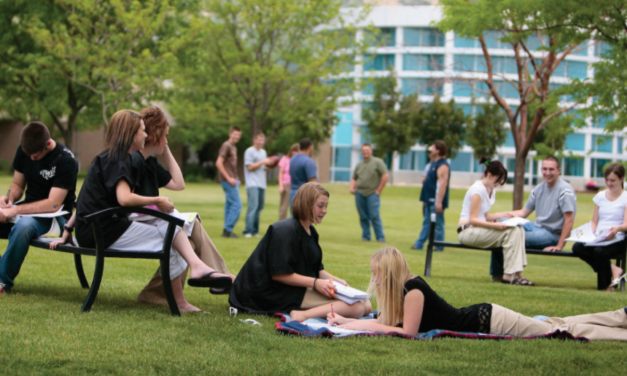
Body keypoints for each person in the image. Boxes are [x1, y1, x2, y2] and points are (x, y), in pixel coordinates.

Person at [53, 110, 231, 313]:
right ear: (131, 134)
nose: (146, 136)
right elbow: (124, 198)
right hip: (104, 231)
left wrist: (67, 229)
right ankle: (187, 288)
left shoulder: (110, 157)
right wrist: (157, 200)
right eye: (142, 131)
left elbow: (85, 198)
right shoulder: (120, 160)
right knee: (171, 232)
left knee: (171, 227)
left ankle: (195, 273)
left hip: (96, 228)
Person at [328, 247, 627, 341]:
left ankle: (619, 329)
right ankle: (619, 316)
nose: (374, 279)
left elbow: (404, 332)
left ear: (390, 273)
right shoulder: (405, 290)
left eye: (376, 273)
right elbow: (384, 319)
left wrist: (354, 325)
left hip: (491, 320)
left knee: (559, 331)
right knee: (556, 322)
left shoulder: (414, 290)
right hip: (485, 315)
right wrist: (346, 319)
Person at [130, 107, 235, 304]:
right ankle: (222, 276)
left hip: (151, 221)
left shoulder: (150, 162)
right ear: (156, 134)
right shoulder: (133, 160)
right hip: (138, 224)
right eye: (166, 136)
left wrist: (165, 149)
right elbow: (127, 200)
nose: (168, 140)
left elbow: (179, 184)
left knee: (191, 240)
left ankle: (153, 293)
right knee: (191, 225)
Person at [229, 182, 371, 321]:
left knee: (367, 306)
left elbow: (317, 269)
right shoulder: (284, 231)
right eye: (320, 206)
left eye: (326, 205)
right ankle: (301, 315)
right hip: (270, 292)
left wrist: (338, 282)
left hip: (296, 287)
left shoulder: (311, 231)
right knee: (357, 308)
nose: (325, 210)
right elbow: (279, 274)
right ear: (306, 204)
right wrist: (315, 283)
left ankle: (308, 309)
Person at [0, 122, 78, 294]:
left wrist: (15, 211)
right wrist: (10, 199)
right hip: (27, 209)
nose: (32, 159)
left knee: (24, 226)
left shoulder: (65, 160)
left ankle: (2, 283)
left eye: (36, 156)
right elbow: (17, 184)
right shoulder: (24, 150)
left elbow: (53, 204)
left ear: (48, 143)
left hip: (57, 218)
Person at [492, 156, 577, 280]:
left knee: (508, 234)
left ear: (559, 170)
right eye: (545, 169)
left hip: (551, 234)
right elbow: (522, 213)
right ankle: (498, 274)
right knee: (500, 226)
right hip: (536, 226)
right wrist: (495, 217)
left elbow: (569, 219)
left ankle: (508, 274)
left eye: (551, 169)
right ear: (541, 169)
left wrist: (560, 245)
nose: (547, 173)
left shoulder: (565, 191)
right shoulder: (538, 189)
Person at [458, 158, 533, 285]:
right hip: (467, 231)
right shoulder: (478, 190)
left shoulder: (490, 189)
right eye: (497, 180)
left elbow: (485, 215)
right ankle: (509, 275)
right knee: (512, 232)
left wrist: (506, 214)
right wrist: (495, 226)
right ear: (489, 175)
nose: (498, 183)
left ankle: (518, 273)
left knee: (519, 229)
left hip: (477, 229)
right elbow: (473, 219)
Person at [572, 163, 627, 291]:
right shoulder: (600, 196)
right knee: (577, 247)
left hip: (616, 239)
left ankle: (605, 287)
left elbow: (626, 224)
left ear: (622, 179)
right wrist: (588, 233)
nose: (609, 183)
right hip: (599, 237)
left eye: (612, 180)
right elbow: (594, 222)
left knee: (599, 252)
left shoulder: (625, 197)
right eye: (607, 180)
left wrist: (617, 229)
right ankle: (613, 269)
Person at [413, 141, 449, 251]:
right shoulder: (433, 163)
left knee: (438, 225)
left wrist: (439, 202)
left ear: (438, 150)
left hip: (435, 201)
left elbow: (443, 184)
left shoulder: (442, 165)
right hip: (428, 199)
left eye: (432, 148)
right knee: (426, 223)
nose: (430, 150)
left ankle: (438, 246)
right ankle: (419, 244)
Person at [350, 143, 389, 242]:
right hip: (359, 193)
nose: (365, 152)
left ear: (371, 151)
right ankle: (366, 236)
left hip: (372, 194)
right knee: (363, 216)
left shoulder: (377, 162)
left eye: (367, 150)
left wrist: (378, 190)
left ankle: (380, 237)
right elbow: (354, 178)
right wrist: (352, 187)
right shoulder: (359, 164)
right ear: (361, 152)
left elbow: (385, 175)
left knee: (374, 216)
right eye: (363, 150)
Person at [243, 132, 271, 238]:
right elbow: (249, 167)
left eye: (262, 140)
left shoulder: (263, 152)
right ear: (254, 140)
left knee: (259, 207)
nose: (261, 142)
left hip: (261, 184)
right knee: (252, 206)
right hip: (252, 183)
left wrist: (267, 166)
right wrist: (263, 161)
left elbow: (261, 167)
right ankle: (247, 231)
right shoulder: (249, 151)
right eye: (259, 140)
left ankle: (254, 231)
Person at [216, 127, 243, 238]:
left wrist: (236, 178)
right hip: (228, 180)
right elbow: (218, 163)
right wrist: (229, 178)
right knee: (237, 204)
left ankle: (226, 231)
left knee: (230, 204)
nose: (237, 137)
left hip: (232, 179)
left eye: (238, 135)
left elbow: (230, 165)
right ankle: (228, 229)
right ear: (230, 133)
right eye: (235, 134)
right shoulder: (226, 145)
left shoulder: (233, 147)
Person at [289, 138, 317, 210]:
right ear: (310, 147)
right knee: (305, 220)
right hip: (304, 195)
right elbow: (312, 181)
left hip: (292, 193)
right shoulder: (308, 161)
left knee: (294, 220)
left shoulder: (292, 159)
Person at [278, 144, 299, 220]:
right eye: (294, 151)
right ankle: (281, 224)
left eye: (297, 151)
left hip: (295, 184)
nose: (295, 153)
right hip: (286, 184)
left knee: (294, 207)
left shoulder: (298, 161)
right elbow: (280, 173)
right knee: (284, 207)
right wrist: (281, 185)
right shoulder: (285, 159)